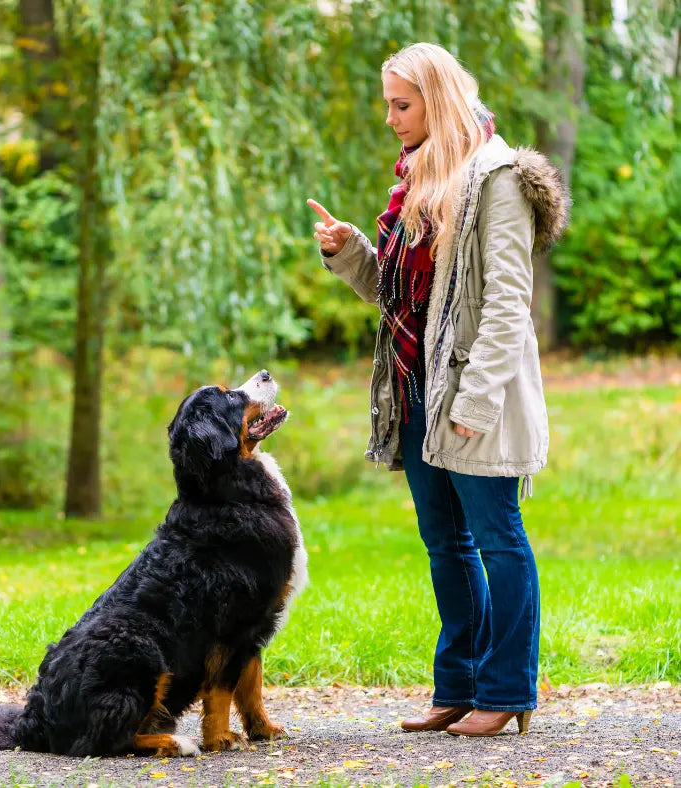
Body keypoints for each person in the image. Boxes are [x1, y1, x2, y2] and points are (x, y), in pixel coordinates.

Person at [307, 42, 568, 737]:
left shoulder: (498, 179)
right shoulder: (418, 180)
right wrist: (349, 251)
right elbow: (398, 298)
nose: (391, 118)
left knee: (497, 537)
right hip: (416, 388)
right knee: (445, 544)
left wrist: (475, 402)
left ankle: (509, 689)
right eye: (388, 104)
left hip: (475, 396)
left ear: (437, 99)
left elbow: (509, 303)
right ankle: (458, 685)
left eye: (402, 104)